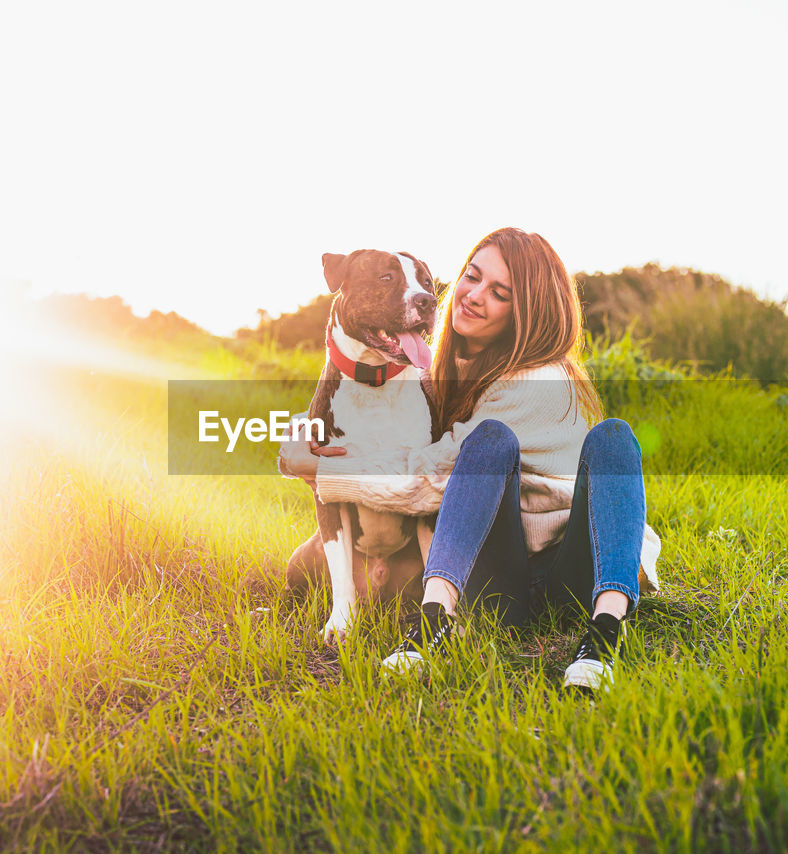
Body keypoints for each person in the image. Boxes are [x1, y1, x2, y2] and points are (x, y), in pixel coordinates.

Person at [278, 227, 661, 693]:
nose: (474, 296)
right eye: (472, 277)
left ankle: (604, 635)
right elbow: (373, 418)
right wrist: (306, 429)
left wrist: (320, 468)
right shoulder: (443, 365)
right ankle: (432, 625)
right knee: (488, 441)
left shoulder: (538, 380)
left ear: (528, 312)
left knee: (609, 438)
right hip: (499, 575)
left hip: (569, 571)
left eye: (499, 293)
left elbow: (430, 479)